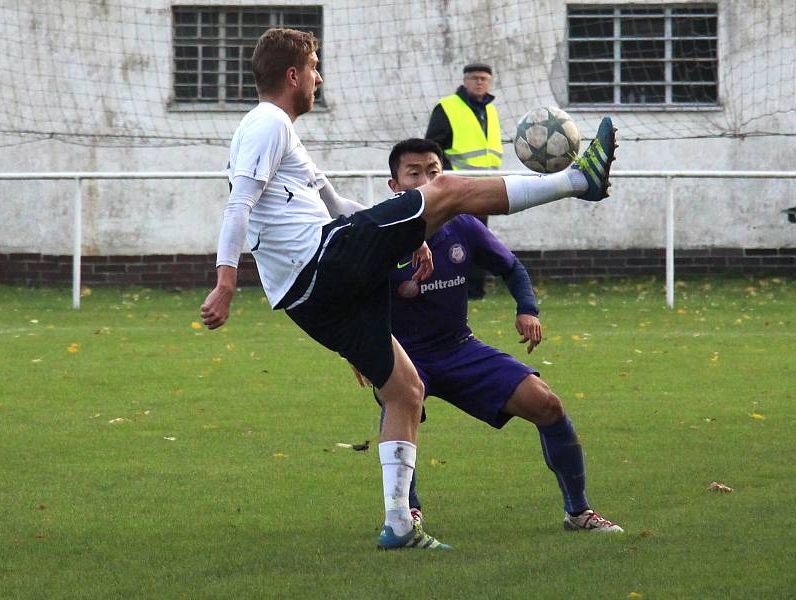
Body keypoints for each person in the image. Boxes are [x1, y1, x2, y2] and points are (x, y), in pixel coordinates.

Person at [199, 28, 618, 550]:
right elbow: (239, 201)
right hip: (324, 261)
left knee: (404, 390)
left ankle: (399, 524)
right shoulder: (267, 122)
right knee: (443, 188)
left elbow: (340, 210)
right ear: (292, 76)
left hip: (306, 295)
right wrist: (225, 280)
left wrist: (407, 237)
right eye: (313, 68)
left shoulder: (284, 138)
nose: (318, 78)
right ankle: (580, 181)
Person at [355, 138, 622, 534]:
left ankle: (578, 511)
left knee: (547, 404)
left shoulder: (465, 225)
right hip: (404, 356)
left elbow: (512, 267)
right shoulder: (379, 233)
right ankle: (406, 514)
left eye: (434, 171)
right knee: (398, 410)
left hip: (459, 348)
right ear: (395, 186)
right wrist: (358, 351)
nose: (427, 180)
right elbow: (350, 295)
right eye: (415, 174)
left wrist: (526, 308)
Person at [426, 63, 502, 299]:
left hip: (484, 185)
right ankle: (446, 286)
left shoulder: (490, 110)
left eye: (484, 79)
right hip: (457, 187)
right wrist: (443, 178)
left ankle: (475, 290)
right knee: (453, 238)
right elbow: (433, 148)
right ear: (465, 81)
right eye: (475, 78)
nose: (480, 82)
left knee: (478, 237)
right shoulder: (448, 108)